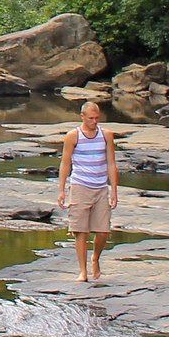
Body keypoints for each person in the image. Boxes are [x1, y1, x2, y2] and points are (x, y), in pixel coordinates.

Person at [56, 100, 118, 282]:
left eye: (97, 118)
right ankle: (82, 271)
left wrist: (114, 190)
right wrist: (61, 190)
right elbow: (65, 163)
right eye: (90, 118)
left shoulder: (106, 135)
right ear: (82, 117)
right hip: (80, 185)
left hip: (100, 186)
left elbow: (111, 163)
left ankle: (95, 258)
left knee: (103, 230)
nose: (94, 121)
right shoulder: (73, 136)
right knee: (80, 230)